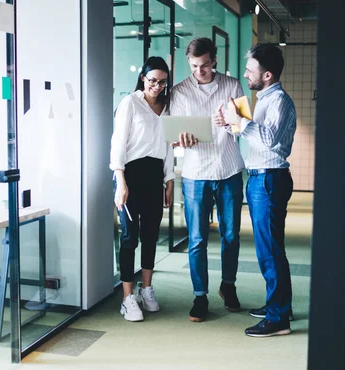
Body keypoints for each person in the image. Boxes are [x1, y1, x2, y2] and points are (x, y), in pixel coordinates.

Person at [220, 44, 296, 337]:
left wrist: (240, 120)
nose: (245, 74)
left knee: (270, 249)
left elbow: (269, 139)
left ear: (267, 74)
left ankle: (278, 318)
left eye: (250, 70)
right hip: (261, 178)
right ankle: (279, 306)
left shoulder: (278, 100)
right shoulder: (263, 99)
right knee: (270, 247)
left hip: (269, 179)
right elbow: (253, 135)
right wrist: (230, 124)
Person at [168, 37, 245, 322]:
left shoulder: (233, 85)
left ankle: (228, 285)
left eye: (203, 65)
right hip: (196, 173)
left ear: (213, 60)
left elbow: (242, 128)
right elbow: (173, 136)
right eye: (193, 66)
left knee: (230, 235)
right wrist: (181, 140)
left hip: (229, 170)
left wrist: (230, 123)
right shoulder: (179, 91)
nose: (198, 71)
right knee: (197, 239)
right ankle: (200, 296)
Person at [110, 56, 175, 322]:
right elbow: (118, 143)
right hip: (130, 175)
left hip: (154, 175)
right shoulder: (130, 103)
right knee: (129, 236)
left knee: (150, 235)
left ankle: (146, 289)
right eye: (152, 81)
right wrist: (120, 181)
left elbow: (170, 146)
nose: (157, 86)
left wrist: (170, 181)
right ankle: (127, 298)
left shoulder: (169, 107)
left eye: (162, 82)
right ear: (142, 78)